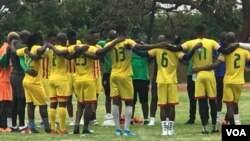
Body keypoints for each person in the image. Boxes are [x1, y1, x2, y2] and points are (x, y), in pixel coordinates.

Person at [133, 33, 200, 136]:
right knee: (171, 106)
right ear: (172, 39)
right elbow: (186, 57)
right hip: (172, 81)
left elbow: (143, 54)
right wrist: (194, 49)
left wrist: (133, 48)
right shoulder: (175, 50)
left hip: (160, 80)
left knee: (163, 106)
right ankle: (170, 129)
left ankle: (164, 130)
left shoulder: (158, 49)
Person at [176, 25, 236, 134]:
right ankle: (214, 127)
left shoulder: (190, 42)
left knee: (201, 102)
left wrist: (170, 45)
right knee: (213, 101)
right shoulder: (211, 42)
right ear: (205, 32)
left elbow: (182, 54)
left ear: (196, 33)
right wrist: (236, 45)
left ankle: (204, 128)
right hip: (209, 74)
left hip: (198, 75)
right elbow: (224, 50)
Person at [193, 32, 250, 125]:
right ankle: (237, 121)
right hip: (239, 81)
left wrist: (200, 68)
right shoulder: (244, 51)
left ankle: (232, 125)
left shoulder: (226, 52)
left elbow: (215, 64)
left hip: (228, 81)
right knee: (234, 103)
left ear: (227, 41)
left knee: (229, 104)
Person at [15, 32, 51, 133]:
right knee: (43, 104)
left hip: (26, 80)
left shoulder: (26, 49)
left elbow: (16, 52)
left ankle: (32, 126)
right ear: (37, 40)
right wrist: (46, 44)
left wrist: (13, 44)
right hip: (35, 81)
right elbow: (40, 50)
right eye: (41, 39)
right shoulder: (35, 47)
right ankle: (47, 127)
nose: (42, 41)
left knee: (30, 104)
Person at [48, 33, 71, 134]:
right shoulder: (62, 48)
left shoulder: (49, 50)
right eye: (66, 40)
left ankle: (52, 128)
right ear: (63, 40)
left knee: (53, 104)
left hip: (51, 77)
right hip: (61, 78)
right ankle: (62, 129)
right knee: (62, 104)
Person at [9, 30, 31, 132]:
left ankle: (13, 125)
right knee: (22, 100)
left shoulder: (11, 46)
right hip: (20, 75)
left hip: (13, 74)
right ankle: (22, 124)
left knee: (15, 100)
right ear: (25, 37)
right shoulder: (22, 47)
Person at [0, 32, 19, 132]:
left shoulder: (6, 47)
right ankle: (3, 126)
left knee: (7, 103)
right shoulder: (5, 48)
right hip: (3, 79)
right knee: (3, 103)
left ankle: (6, 125)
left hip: (6, 79)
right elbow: (3, 63)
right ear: (13, 41)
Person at [98, 30, 116, 127]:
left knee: (117, 96)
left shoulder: (119, 44)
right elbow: (97, 44)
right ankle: (109, 115)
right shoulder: (103, 43)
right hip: (107, 71)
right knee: (108, 95)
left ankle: (115, 115)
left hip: (116, 71)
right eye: (111, 36)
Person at [131, 37, 150, 125]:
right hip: (131, 78)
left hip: (143, 78)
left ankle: (146, 119)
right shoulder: (129, 52)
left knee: (144, 101)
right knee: (131, 101)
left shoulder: (145, 53)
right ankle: (130, 119)